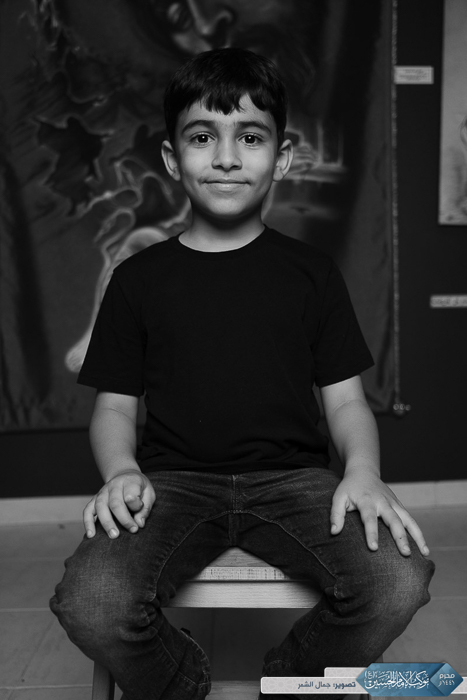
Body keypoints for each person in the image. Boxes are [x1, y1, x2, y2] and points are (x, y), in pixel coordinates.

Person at [50, 48, 434, 700]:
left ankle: (286, 683)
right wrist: (120, 472)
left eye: (250, 138)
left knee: (397, 581)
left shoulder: (311, 274)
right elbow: (114, 408)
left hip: (295, 481)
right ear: (172, 158)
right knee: (90, 601)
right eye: (202, 137)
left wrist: (364, 472)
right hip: (171, 484)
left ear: (281, 158)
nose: (226, 157)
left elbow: (345, 403)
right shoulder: (137, 279)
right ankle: (184, 682)